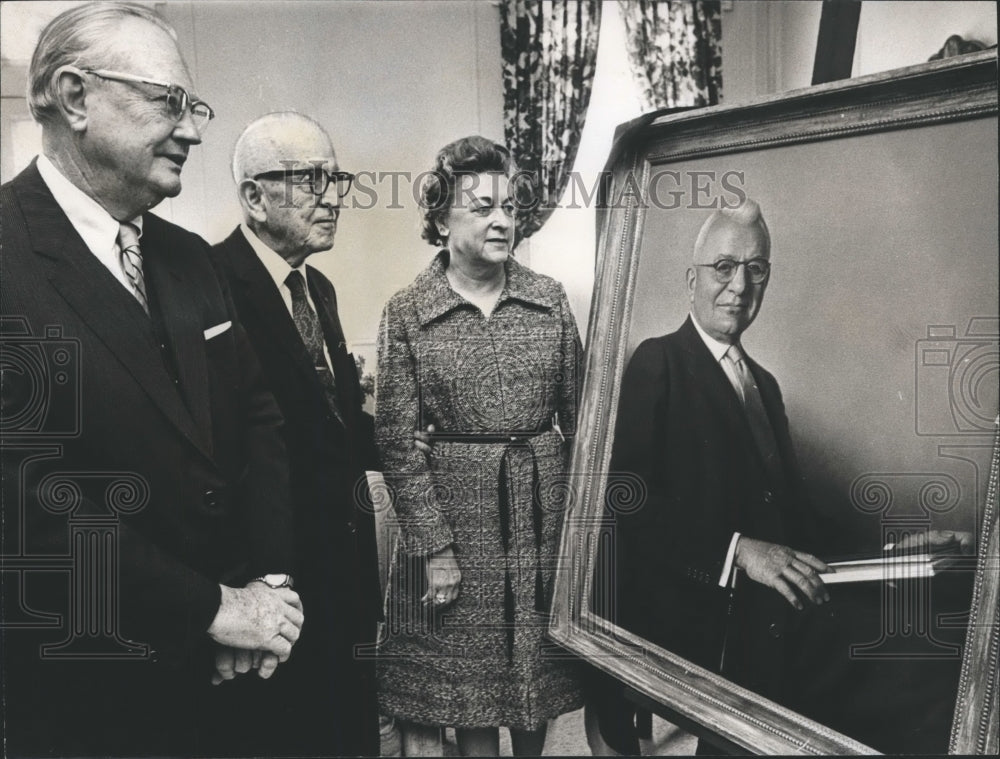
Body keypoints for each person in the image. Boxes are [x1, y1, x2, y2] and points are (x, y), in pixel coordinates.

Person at [0, 4, 302, 755]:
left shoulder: (192, 257)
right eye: (169, 101)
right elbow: (25, 499)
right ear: (76, 98)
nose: (194, 129)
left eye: (192, 106)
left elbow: (259, 425)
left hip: (238, 673)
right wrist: (210, 607)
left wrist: (263, 591)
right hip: (91, 685)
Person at [593, 200, 830, 753]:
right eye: (724, 266)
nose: (740, 285)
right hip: (679, 614)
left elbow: (792, 511)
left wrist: (893, 547)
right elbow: (624, 500)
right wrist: (739, 549)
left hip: (753, 617)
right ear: (690, 280)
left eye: (757, 268)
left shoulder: (764, 384)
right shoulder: (658, 362)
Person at [376, 135, 584, 756]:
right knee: (469, 693)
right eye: (482, 207)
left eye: (510, 207)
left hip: (542, 516)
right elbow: (397, 443)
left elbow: (581, 423)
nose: (502, 220)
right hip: (460, 522)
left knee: (536, 684)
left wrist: (581, 537)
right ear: (441, 219)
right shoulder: (409, 311)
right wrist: (434, 548)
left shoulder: (548, 300)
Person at [209, 111, 383, 756]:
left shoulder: (320, 289)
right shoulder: (206, 283)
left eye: (334, 177)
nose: (332, 195)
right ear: (254, 196)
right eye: (310, 179)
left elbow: (335, 427)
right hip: (269, 588)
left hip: (342, 573)